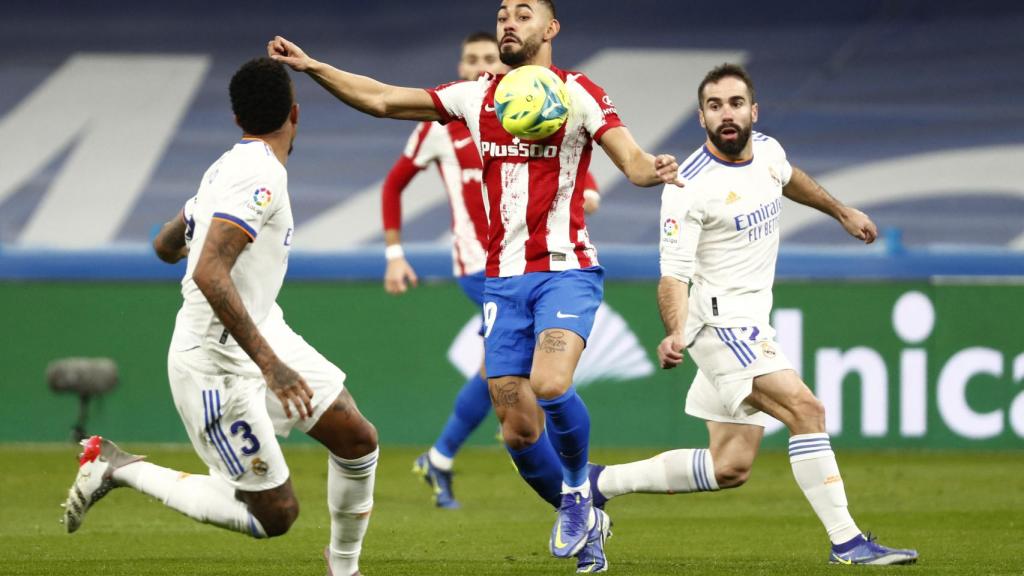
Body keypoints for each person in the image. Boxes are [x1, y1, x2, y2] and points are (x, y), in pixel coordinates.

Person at [269, 1, 680, 571]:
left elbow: (631, 161)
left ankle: (581, 495)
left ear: (551, 28)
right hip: (502, 282)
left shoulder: (578, 91)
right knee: (515, 426)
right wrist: (314, 67)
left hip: (565, 269)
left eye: (523, 13)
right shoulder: (477, 96)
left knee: (551, 383)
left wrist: (650, 170)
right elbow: (384, 99)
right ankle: (586, 527)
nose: (509, 21)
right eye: (503, 13)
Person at [588, 63, 919, 566]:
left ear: (753, 110)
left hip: (750, 321)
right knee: (807, 411)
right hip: (721, 325)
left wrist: (842, 211)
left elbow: (790, 180)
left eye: (736, 103)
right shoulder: (686, 187)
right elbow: (673, 273)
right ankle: (848, 542)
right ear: (701, 117)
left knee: (730, 466)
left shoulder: (767, 151)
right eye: (715, 105)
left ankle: (597, 484)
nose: (727, 113)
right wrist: (673, 331)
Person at [61, 57, 379, 576]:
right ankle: (117, 468)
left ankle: (343, 570)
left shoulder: (226, 169)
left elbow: (165, 245)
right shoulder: (259, 177)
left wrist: (193, 230)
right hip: (216, 364)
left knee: (357, 439)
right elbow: (209, 273)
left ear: (237, 121)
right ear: (296, 113)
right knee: (274, 516)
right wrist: (271, 366)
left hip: (261, 328)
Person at [384, 30, 601, 511]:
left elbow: (576, 167)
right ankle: (451, 459)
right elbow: (393, 185)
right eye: (471, 59)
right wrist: (394, 254)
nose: (481, 65)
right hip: (480, 265)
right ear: (460, 68)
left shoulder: (532, 111)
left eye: (488, 57)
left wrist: (586, 191)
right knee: (508, 377)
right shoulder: (439, 126)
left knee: (505, 378)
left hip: (530, 259)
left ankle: (442, 458)